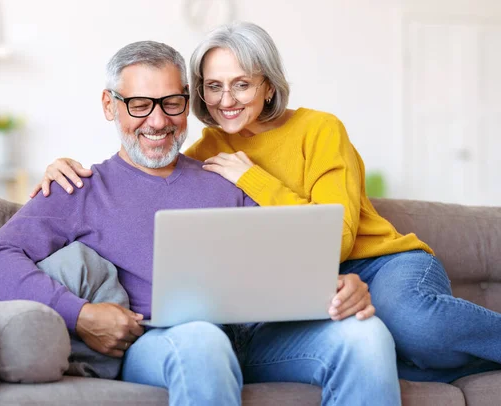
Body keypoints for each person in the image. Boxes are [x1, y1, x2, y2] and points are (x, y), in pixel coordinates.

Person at [35, 21, 501, 384]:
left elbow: (334, 238)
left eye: (241, 84)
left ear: (268, 86)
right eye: (213, 86)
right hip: (312, 284)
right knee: (373, 351)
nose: (226, 100)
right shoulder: (204, 152)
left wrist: (252, 177)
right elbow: (148, 168)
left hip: (381, 263)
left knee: (416, 324)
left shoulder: (320, 129)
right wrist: (61, 167)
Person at [0, 40, 401, 406]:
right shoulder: (79, 187)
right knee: (201, 338)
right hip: (161, 343)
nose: (158, 121)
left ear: (188, 103)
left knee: (366, 335)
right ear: (110, 105)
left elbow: (284, 259)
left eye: (171, 103)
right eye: (139, 105)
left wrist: (339, 284)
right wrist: (81, 313)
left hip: (254, 338)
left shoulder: (222, 173)